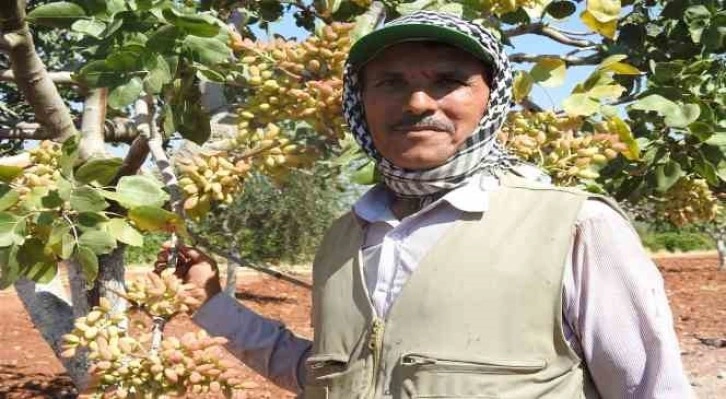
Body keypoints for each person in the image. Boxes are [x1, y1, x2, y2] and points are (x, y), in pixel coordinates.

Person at [156, 10, 694, 399]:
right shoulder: (345, 237)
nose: (417, 102)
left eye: (447, 81)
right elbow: (324, 378)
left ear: (491, 98)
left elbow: (652, 388)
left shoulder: (575, 227)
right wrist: (211, 303)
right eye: (391, 83)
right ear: (361, 104)